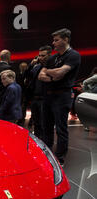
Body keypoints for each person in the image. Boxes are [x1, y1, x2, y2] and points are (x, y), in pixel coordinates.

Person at [38, 28, 81, 165]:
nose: (53, 43)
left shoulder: (73, 55)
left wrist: (50, 73)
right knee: (47, 127)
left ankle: (59, 158)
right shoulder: (52, 58)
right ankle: (47, 154)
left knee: (61, 128)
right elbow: (41, 75)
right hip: (48, 96)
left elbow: (59, 73)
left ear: (66, 39)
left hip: (62, 96)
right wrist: (53, 76)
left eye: (56, 40)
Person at [25, 45, 52, 138]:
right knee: (36, 123)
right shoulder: (36, 67)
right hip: (35, 98)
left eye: (43, 55)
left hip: (45, 98)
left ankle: (46, 143)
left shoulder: (52, 67)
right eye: (39, 55)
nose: (40, 58)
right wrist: (30, 65)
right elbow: (27, 76)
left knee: (44, 123)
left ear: (49, 55)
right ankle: (38, 142)